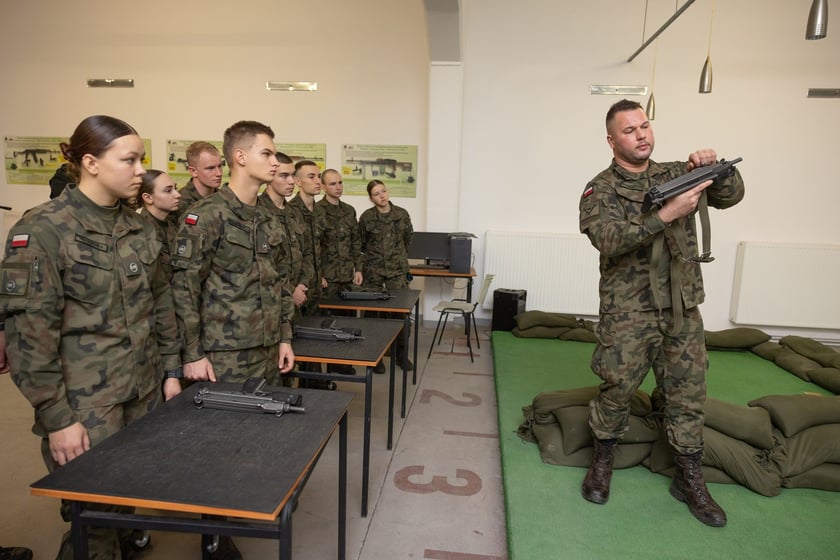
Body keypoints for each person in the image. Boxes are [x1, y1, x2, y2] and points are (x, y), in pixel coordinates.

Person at [0, 115, 182, 558]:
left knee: (129, 495)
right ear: (90, 163)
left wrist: (171, 372)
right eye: (130, 159)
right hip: (85, 402)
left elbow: (161, 304)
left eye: (141, 160)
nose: (140, 170)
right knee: (92, 513)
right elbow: (30, 334)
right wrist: (56, 417)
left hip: (143, 391)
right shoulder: (44, 228)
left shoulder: (140, 227)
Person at [578, 99, 745, 527]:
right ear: (612, 140)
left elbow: (731, 196)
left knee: (688, 394)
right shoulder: (600, 188)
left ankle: (689, 477)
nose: (641, 135)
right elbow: (609, 240)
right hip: (629, 312)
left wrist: (717, 167)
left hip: (681, 307)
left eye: (645, 125)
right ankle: (602, 461)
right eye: (630, 130)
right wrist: (665, 215)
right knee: (616, 389)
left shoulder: (676, 173)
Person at [257, 152, 328, 387]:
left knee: (296, 361)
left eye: (291, 176)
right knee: (275, 371)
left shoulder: (295, 213)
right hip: (273, 306)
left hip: (300, 299)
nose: (290, 182)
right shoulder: (257, 212)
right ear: (269, 177)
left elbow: (309, 252)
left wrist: (302, 285)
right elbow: (262, 267)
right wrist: (290, 291)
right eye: (283, 176)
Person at [359, 179, 414, 372]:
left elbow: (408, 239)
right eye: (376, 193)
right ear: (370, 198)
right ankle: (376, 357)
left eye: (383, 191)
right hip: (373, 272)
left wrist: (396, 258)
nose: (382, 196)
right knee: (373, 316)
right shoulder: (366, 217)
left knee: (401, 314)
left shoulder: (401, 214)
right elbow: (362, 244)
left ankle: (401, 355)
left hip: (397, 271)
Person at [316, 169, 363, 375]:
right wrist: (319, 274)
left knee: (348, 322)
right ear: (324, 187)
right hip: (328, 278)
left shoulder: (349, 210)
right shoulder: (317, 211)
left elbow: (355, 242)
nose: (338, 187)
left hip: (346, 276)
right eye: (333, 184)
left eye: (340, 183)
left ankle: (343, 364)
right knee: (327, 323)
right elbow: (313, 246)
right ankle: (327, 364)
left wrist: (358, 268)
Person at [138, 169, 182, 281]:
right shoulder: (139, 232)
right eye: (168, 190)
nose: (177, 195)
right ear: (148, 198)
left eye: (175, 188)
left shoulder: (172, 226)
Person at [176, 141, 224, 217]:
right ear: (193, 171)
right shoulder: (178, 202)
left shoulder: (224, 198)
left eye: (220, 166)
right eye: (210, 168)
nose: (219, 173)